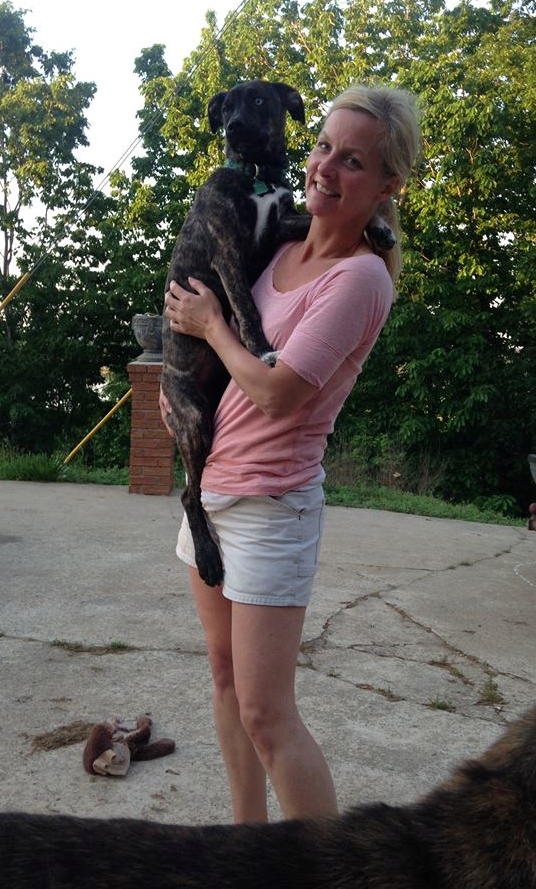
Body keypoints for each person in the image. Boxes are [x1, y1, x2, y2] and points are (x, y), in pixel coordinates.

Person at [160, 84, 421, 824]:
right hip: (212, 493)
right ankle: (248, 845)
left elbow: (277, 394)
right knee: (223, 679)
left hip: (271, 507)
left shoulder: (358, 277)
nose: (325, 168)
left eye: (353, 161)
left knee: (268, 716)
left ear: (387, 186)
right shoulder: (280, 247)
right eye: (322, 147)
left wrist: (211, 326)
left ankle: (331, 870)